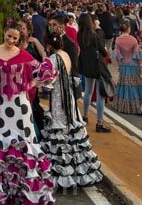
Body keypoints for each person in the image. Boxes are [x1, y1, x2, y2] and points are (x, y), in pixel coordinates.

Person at [0, 24, 56, 205]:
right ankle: (5, 194)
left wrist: (29, 86)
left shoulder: (23, 54)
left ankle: (26, 193)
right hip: (2, 107)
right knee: (4, 146)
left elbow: (43, 71)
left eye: (15, 38)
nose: (11, 40)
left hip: (21, 108)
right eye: (9, 36)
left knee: (25, 148)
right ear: (4, 32)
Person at [40, 32, 102, 188]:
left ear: (48, 45)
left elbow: (46, 81)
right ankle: (78, 170)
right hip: (69, 97)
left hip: (58, 98)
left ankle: (62, 173)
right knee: (71, 129)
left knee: (59, 130)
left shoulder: (52, 59)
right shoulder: (66, 55)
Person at [77, 12, 110, 130]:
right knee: (100, 94)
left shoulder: (79, 35)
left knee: (88, 91)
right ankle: (99, 122)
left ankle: (85, 115)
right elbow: (103, 51)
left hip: (86, 66)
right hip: (97, 67)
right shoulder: (95, 35)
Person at [112, 19, 142, 116]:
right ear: (128, 29)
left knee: (124, 85)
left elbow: (117, 55)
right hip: (133, 65)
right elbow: (137, 55)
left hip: (124, 65)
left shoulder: (118, 40)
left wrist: (119, 65)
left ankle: (124, 106)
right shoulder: (133, 39)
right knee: (136, 85)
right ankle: (137, 105)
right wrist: (139, 66)